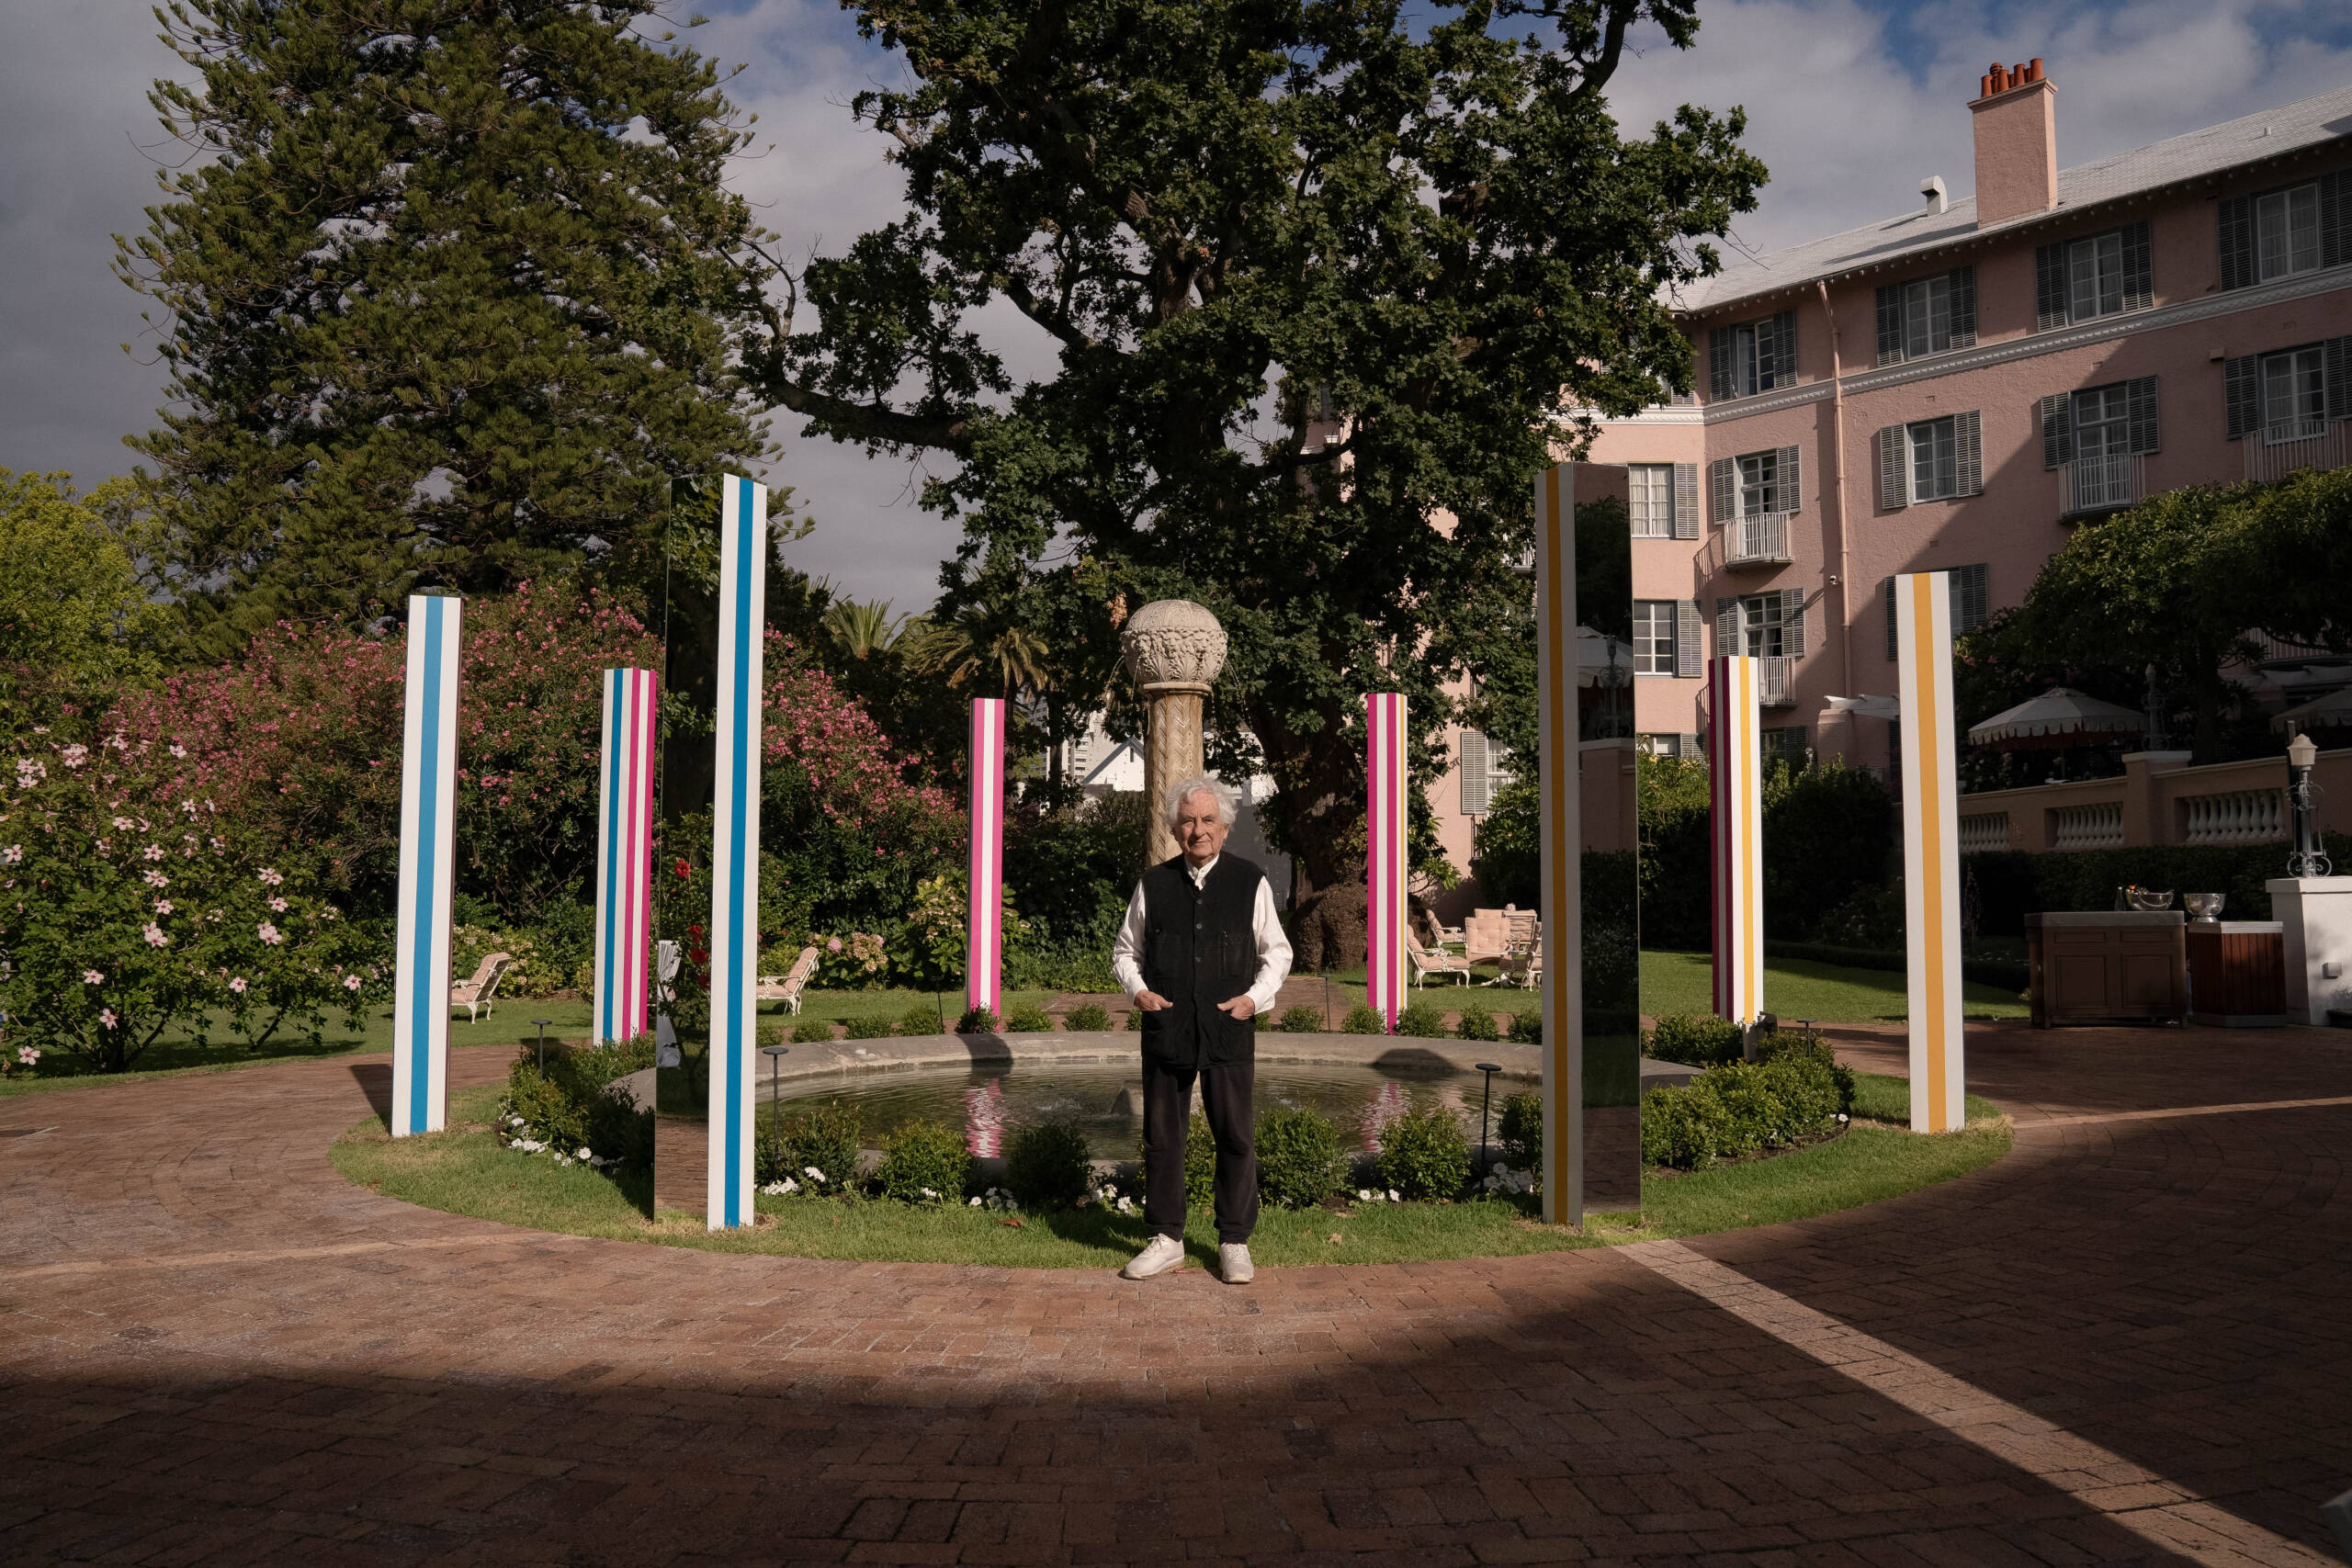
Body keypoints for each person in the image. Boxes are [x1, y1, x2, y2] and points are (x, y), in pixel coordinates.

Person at [1110, 774, 1292, 1283]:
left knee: (1235, 1135)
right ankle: (1167, 1238)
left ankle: (1233, 1240)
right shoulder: (1153, 883)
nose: (1198, 830)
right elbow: (1127, 952)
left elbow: (1277, 953)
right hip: (1167, 1029)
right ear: (1174, 828)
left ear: (1226, 827)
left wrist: (1253, 999)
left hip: (1228, 1029)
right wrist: (1138, 991)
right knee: (1163, 1137)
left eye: (1208, 820)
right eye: (1188, 820)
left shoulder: (1250, 881)